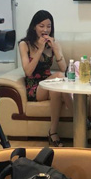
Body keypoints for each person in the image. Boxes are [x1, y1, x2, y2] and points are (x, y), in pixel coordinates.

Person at [19, 10, 74, 147]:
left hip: (48, 83)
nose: (45, 30)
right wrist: (39, 49)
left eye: (48, 26)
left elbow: (64, 68)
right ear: (34, 27)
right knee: (59, 77)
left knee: (56, 87)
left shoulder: (54, 43)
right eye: (41, 26)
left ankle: (53, 132)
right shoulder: (24, 44)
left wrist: (56, 50)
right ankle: (79, 118)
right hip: (34, 86)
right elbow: (28, 72)